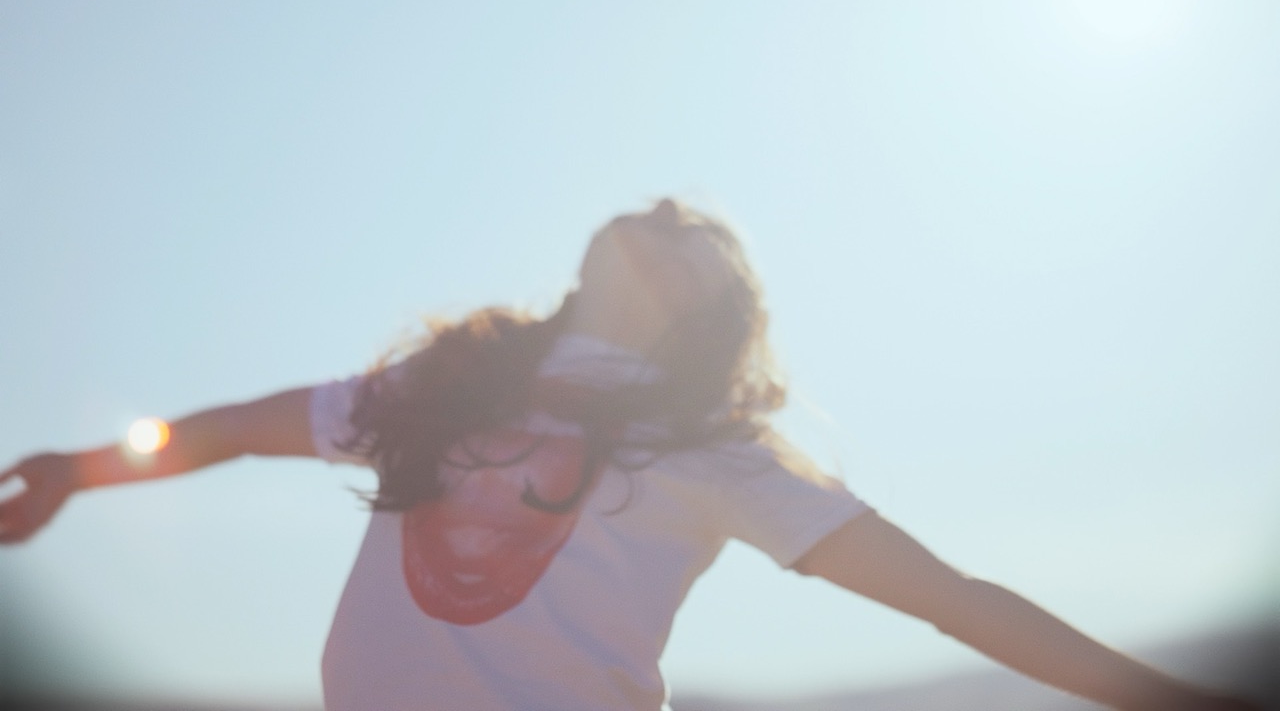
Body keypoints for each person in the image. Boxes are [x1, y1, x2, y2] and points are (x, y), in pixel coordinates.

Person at [0, 198, 1262, 711]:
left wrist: (1168, 699)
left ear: (712, 312)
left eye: (695, 238)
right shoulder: (440, 386)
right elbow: (223, 432)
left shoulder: (719, 453)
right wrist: (73, 469)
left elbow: (953, 601)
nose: (667, 216)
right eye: (652, 213)